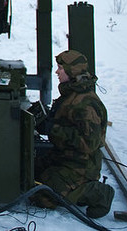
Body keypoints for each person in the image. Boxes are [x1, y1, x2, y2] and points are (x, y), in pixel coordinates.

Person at [33, 50, 114, 218]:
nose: (57, 72)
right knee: (29, 173)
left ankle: (97, 192)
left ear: (72, 72)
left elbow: (89, 144)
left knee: (44, 197)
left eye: (61, 68)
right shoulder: (72, 94)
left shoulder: (86, 104)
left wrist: (52, 129)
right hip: (63, 157)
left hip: (81, 166)